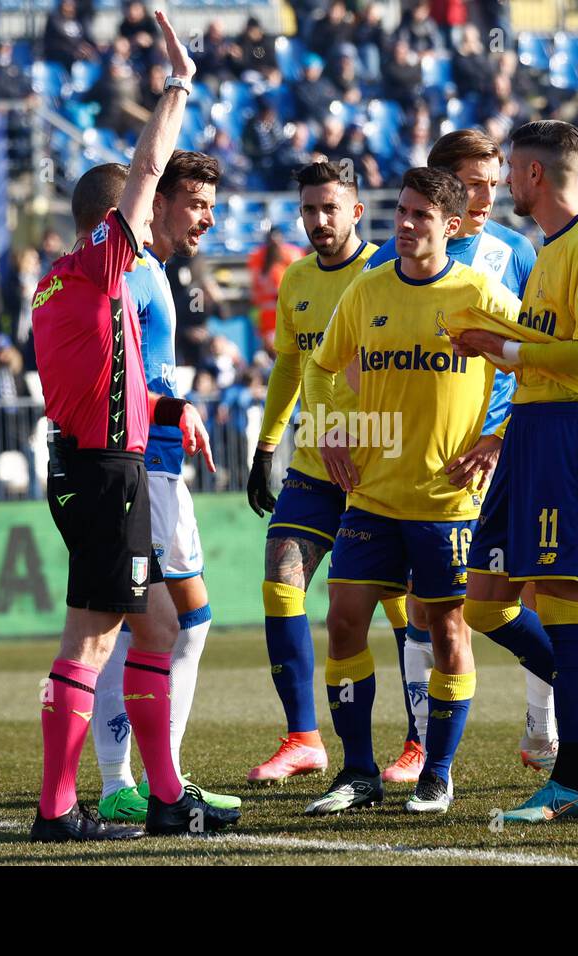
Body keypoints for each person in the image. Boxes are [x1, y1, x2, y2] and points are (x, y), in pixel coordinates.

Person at [27, 11, 238, 842]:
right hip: (109, 472)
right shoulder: (100, 265)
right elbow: (150, 164)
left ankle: (163, 795)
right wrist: (179, 83)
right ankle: (58, 810)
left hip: (87, 464)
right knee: (90, 641)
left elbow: (108, 377)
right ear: (111, 219)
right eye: (136, 212)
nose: (148, 219)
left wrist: (174, 408)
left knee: (152, 625)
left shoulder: (54, 285)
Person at [450, 121, 578, 822]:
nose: (504, 182)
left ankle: (569, 780)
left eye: (510, 170)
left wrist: (502, 345)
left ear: (534, 175)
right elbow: (547, 345)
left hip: (566, 432)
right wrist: (488, 340)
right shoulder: (548, 251)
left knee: (562, 609)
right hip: (528, 433)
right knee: (485, 601)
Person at [300, 166, 520, 816]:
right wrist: (330, 425)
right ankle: (358, 772)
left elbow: (541, 362)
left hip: (448, 503)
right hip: (371, 496)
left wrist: (501, 436)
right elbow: (320, 369)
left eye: (420, 215)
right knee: (342, 624)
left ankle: (438, 772)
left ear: (451, 227)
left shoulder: (480, 292)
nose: (403, 223)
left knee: (450, 634)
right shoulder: (367, 293)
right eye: (400, 211)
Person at [363, 129, 550, 782]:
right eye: (473, 184)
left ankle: (543, 726)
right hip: (434, 468)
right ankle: (420, 745)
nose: (486, 198)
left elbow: (540, 351)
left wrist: (505, 437)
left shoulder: (516, 252)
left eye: (495, 186)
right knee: (428, 606)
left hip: (505, 449)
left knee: (526, 588)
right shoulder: (391, 262)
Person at [88, 150, 240, 824]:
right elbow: (124, 377)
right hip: (142, 467)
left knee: (156, 624)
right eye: (198, 204)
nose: (208, 218)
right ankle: (142, 782)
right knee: (158, 625)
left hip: (159, 464)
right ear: (157, 201)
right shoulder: (135, 274)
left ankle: (147, 779)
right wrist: (177, 410)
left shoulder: (150, 273)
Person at [243, 161, 380, 784]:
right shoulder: (295, 279)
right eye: (308, 210)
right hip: (311, 461)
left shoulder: (383, 273)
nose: (318, 221)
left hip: (380, 461)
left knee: (398, 608)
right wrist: (266, 445)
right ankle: (303, 737)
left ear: (356, 210)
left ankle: (414, 744)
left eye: (330, 208)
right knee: (280, 578)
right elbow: (288, 370)